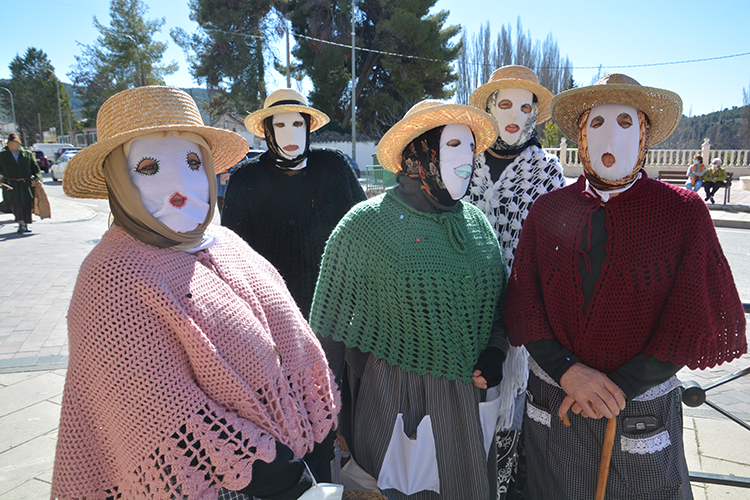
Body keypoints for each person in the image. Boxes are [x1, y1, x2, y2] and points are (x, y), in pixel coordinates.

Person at [51, 86, 339, 500]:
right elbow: (163, 412)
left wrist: (321, 432)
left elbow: (294, 338)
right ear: (119, 178)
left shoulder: (224, 242)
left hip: (297, 463)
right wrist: (291, 481)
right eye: (149, 166)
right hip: (224, 485)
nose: (179, 184)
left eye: (191, 162)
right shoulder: (111, 275)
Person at [504, 74, 747, 500]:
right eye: (596, 123)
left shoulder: (681, 213)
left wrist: (620, 388)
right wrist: (567, 371)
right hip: (556, 401)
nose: (610, 135)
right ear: (580, 135)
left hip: (639, 410)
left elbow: (691, 320)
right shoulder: (548, 210)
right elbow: (525, 302)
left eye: (624, 122)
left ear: (644, 135)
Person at [310, 100, 511, 499]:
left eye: (471, 147)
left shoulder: (477, 225)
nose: (466, 158)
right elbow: (327, 331)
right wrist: (325, 421)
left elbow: (501, 304)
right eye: (452, 144)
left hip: (468, 406)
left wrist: (496, 351)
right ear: (419, 151)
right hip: (395, 402)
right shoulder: (364, 226)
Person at [463, 65, 566, 499]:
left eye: (526, 107)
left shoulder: (546, 172)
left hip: (523, 313)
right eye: (505, 103)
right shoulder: (462, 160)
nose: (515, 114)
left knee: (510, 410)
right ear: (489, 108)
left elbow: (560, 248)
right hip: (463, 309)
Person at [222, 88, 366, 321]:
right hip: (273, 315)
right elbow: (233, 256)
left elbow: (364, 229)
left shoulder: (333, 166)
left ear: (308, 126)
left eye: (298, 124)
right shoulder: (245, 179)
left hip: (335, 315)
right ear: (268, 129)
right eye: (280, 125)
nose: (290, 135)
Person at [0, 132, 42, 233]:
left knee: (27, 204)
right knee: (15, 204)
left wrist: (37, 177)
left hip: (25, 184)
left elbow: (35, 169)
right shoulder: (2, 155)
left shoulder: (27, 154)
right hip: (10, 184)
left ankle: (26, 224)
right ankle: (21, 223)